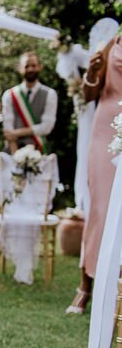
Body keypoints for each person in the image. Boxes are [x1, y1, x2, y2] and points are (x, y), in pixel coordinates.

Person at [66, 35, 122, 314]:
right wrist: (90, 72)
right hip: (107, 129)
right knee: (99, 208)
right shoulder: (110, 45)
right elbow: (89, 95)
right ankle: (85, 285)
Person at [1, 52, 58, 154]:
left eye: (34, 66)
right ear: (20, 68)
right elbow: (8, 127)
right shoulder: (9, 94)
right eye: (26, 66)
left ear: (40, 67)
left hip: (39, 151)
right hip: (13, 150)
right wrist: (16, 156)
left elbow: (47, 127)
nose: (30, 69)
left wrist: (16, 133)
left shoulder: (50, 94)